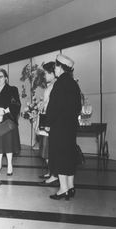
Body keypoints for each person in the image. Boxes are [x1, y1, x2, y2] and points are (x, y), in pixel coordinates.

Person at [45, 54, 82, 200]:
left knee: (59, 156)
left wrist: (48, 123)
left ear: (60, 67)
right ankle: (71, 187)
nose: (55, 69)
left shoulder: (59, 84)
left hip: (59, 127)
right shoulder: (73, 83)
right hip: (71, 126)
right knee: (69, 155)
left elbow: (54, 107)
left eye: (55, 66)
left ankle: (63, 189)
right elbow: (78, 106)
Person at [36, 61, 56, 180]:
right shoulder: (50, 85)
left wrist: (43, 104)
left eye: (46, 73)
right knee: (46, 149)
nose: (44, 76)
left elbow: (51, 104)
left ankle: (54, 174)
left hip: (49, 121)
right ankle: (51, 172)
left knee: (48, 149)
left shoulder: (55, 86)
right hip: (46, 120)